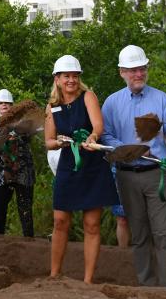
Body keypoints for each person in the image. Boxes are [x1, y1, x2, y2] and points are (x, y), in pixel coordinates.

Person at [101, 45, 166, 287]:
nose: (138, 74)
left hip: (159, 176)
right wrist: (126, 149)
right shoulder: (111, 103)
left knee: (163, 233)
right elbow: (106, 136)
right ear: (121, 72)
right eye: (132, 70)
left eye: (142, 69)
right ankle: (147, 286)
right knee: (139, 235)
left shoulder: (161, 99)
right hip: (127, 176)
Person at [44, 55, 120, 284]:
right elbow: (48, 141)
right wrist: (59, 142)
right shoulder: (52, 107)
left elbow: (98, 125)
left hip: (93, 165)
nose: (71, 80)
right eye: (67, 76)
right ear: (57, 79)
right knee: (60, 221)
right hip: (68, 165)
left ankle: (88, 281)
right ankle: (54, 275)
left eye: (75, 76)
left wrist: (93, 136)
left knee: (92, 223)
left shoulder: (88, 96)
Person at [0, 89, 36, 237]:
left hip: (23, 171)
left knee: (25, 208)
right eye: (1, 103)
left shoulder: (23, 124)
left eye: (7, 103)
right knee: (0, 207)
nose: (4, 105)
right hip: (4, 173)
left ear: (12, 106)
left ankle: (29, 240)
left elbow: (29, 135)